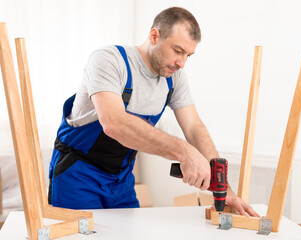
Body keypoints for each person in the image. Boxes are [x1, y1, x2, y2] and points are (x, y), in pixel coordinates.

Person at [48, 6, 259, 217]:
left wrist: (224, 190)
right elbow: (114, 122)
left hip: (120, 181)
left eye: (188, 55)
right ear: (154, 35)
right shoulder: (109, 60)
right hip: (77, 176)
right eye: (178, 51)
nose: (182, 63)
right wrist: (185, 152)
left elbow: (194, 128)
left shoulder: (174, 78)